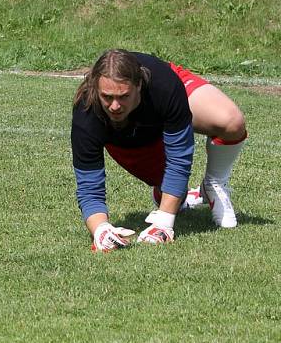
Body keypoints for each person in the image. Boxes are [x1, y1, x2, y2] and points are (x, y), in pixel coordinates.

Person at [71, 49, 247, 252]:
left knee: (231, 121)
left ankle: (213, 183)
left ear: (139, 86)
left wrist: (164, 223)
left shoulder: (165, 86)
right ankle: (171, 194)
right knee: (172, 192)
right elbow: (89, 187)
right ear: (96, 88)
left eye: (124, 96)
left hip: (162, 106)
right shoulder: (86, 110)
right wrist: (100, 229)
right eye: (107, 97)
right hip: (129, 141)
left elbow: (179, 158)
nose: (115, 106)